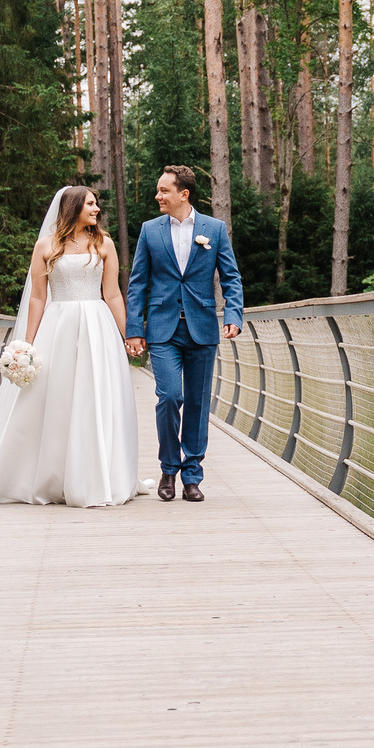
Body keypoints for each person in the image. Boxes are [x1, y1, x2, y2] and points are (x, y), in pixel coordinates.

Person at [0, 186, 141, 508]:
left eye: (96, 204)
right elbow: (38, 297)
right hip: (58, 326)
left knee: (94, 398)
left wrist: (128, 335)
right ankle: (50, 477)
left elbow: (114, 295)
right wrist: (27, 344)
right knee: (56, 399)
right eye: (90, 204)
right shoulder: (46, 246)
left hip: (97, 326)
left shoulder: (104, 244)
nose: (96, 209)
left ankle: (94, 478)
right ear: (74, 207)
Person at [125, 165, 243, 502]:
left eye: (164, 190)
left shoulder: (214, 229)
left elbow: (231, 278)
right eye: (159, 190)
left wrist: (233, 314)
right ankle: (168, 467)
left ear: (183, 194)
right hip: (162, 329)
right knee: (170, 396)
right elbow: (137, 285)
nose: (158, 196)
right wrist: (135, 329)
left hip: (202, 327)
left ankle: (192, 475)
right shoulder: (150, 231)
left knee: (196, 402)